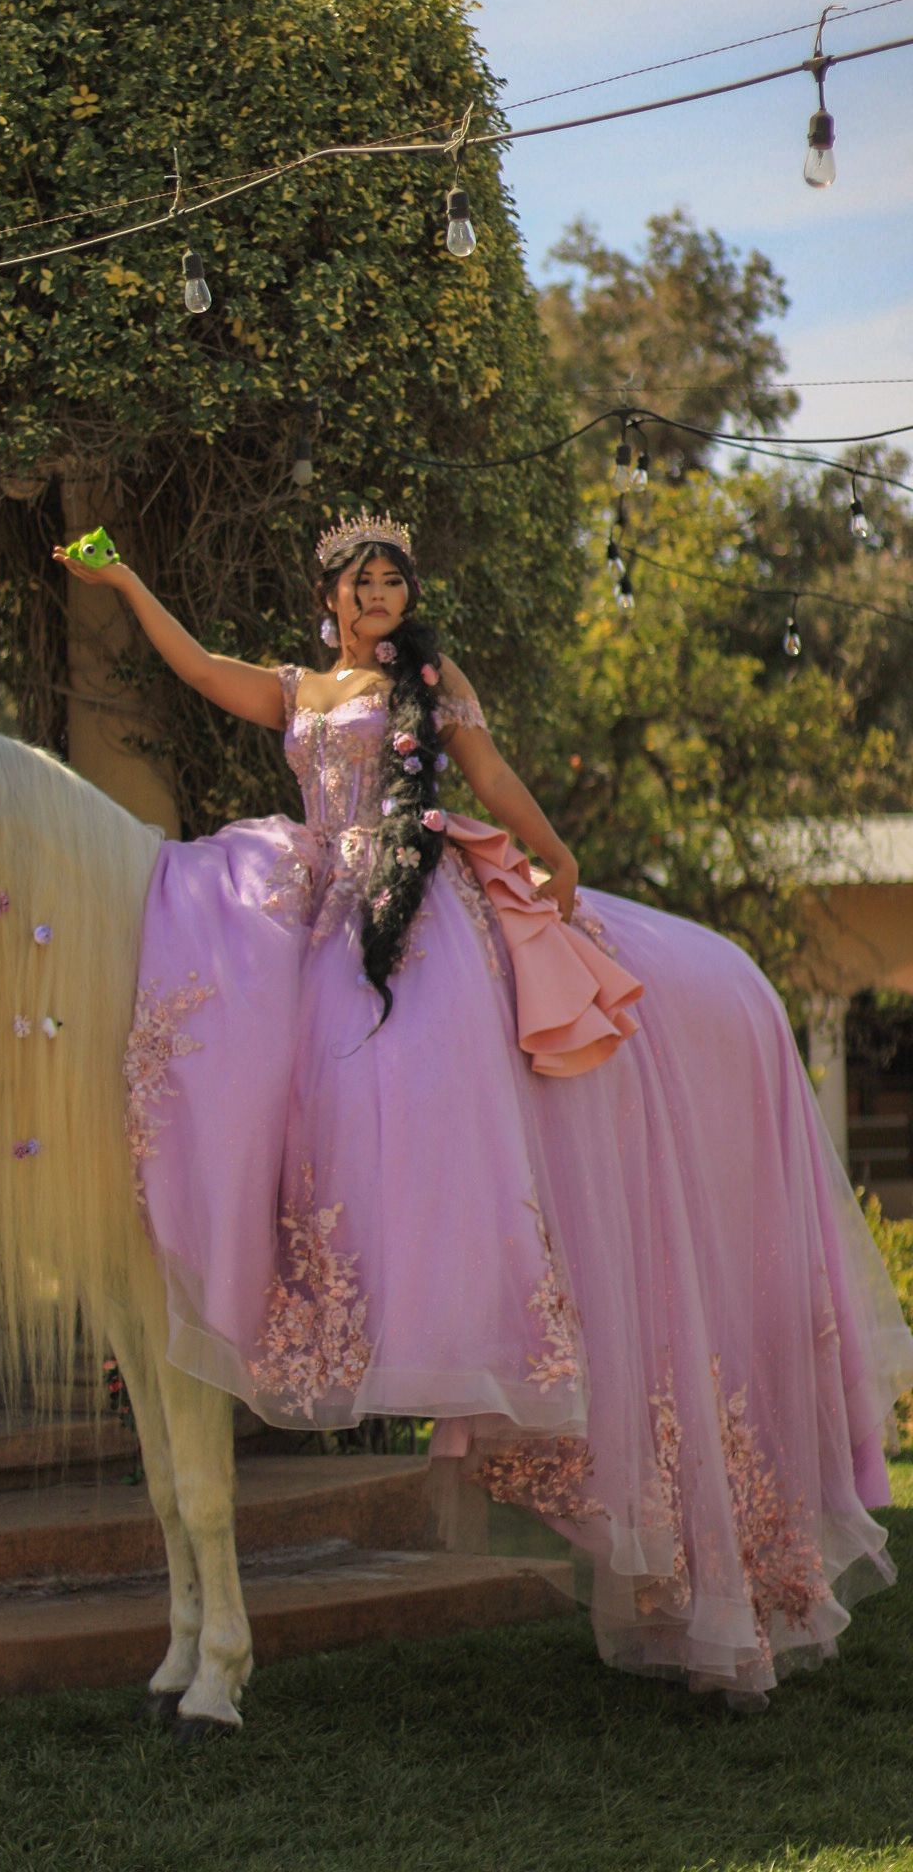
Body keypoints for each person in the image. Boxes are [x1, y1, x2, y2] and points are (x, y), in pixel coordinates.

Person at [55, 510, 913, 1701]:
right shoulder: (299, 688)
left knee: (415, 1070)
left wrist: (550, 849)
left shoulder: (431, 683)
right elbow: (196, 667)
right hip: (318, 902)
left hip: (416, 899)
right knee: (254, 1027)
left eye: (391, 581)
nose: (376, 596)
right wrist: (124, 572)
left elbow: (491, 774)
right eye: (359, 581)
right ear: (328, 595)